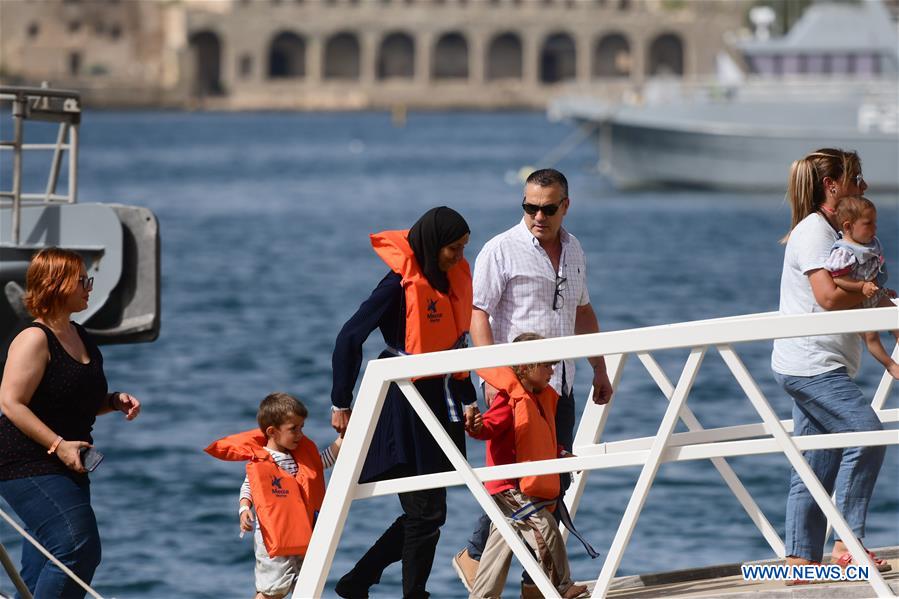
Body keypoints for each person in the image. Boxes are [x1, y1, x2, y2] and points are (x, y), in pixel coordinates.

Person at [453, 168, 612, 590]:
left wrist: (599, 366)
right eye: (529, 206)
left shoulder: (575, 250)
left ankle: (532, 581)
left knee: (552, 484)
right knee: (514, 486)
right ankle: (476, 557)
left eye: (547, 208)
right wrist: (497, 378)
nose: (537, 216)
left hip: (562, 386)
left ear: (565, 206)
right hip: (516, 390)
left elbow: (582, 310)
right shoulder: (501, 249)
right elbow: (478, 314)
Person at [329, 206, 477, 599]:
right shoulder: (397, 284)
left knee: (430, 512)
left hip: (440, 402)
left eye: (463, 249)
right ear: (432, 245)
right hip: (404, 403)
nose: (459, 258)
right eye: (452, 250)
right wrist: (340, 402)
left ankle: (357, 582)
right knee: (425, 512)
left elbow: (456, 344)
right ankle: (405, 593)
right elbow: (348, 337)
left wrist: (468, 399)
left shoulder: (449, 280)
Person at [772, 148, 891, 582]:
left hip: (819, 361)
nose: (864, 186)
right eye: (857, 178)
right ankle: (847, 543)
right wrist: (871, 292)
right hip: (811, 364)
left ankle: (800, 562)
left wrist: (883, 300)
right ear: (833, 186)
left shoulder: (836, 233)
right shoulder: (815, 234)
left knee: (817, 462)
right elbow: (827, 298)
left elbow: (864, 292)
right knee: (867, 434)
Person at [0, 247, 142, 598]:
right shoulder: (33, 339)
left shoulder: (82, 336)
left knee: (41, 569)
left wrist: (112, 401)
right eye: (82, 280)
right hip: (25, 463)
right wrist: (57, 445)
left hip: (70, 464)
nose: (89, 287)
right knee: (77, 546)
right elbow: (10, 402)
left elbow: (71, 402)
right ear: (55, 285)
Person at [466, 333, 588, 599]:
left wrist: (561, 454)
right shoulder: (509, 400)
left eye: (553, 365)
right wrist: (476, 427)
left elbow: (542, 439)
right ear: (524, 367)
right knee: (545, 529)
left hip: (519, 486)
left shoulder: (541, 399)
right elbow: (489, 427)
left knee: (501, 542)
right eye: (546, 365)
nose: (552, 371)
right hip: (510, 486)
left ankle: (482, 596)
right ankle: (562, 587)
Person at [205, 392, 343, 599]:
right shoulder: (263, 460)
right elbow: (249, 486)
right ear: (272, 432)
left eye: (302, 428)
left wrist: (343, 439)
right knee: (273, 590)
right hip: (273, 534)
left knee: (305, 585)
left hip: (301, 531)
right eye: (293, 429)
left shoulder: (299, 457)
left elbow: (322, 462)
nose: (299, 434)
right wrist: (244, 509)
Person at [824, 195, 899, 379]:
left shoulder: (869, 245)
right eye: (868, 224)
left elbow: (875, 270)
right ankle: (890, 365)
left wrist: (882, 288)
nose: (875, 228)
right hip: (858, 303)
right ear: (848, 227)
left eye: (875, 223)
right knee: (871, 338)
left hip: (875, 295)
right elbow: (838, 278)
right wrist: (860, 287)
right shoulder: (844, 251)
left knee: (896, 319)